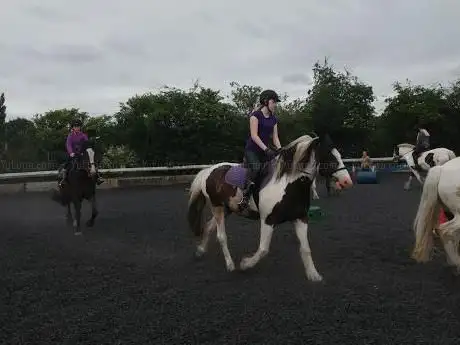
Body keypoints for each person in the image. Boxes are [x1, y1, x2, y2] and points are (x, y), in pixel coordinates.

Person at [238, 89, 282, 209]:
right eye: (274, 102)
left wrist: (280, 150)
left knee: (277, 166)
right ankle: (245, 196)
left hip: (265, 150)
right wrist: (266, 149)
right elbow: (254, 136)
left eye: (276, 103)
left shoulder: (274, 119)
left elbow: (275, 137)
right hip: (252, 150)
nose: (275, 105)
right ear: (266, 102)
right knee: (257, 168)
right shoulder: (255, 116)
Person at [59, 119, 103, 187]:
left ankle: (98, 177)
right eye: (75, 126)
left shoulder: (83, 135)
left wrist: (87, 149)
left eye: (78, 126)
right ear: (73, 127)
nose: (77, 128)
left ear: (80, 127)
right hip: (73, 153)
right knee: (68, 162)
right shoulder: (70, 136)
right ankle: (64, 179)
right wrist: (71, 153)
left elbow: (87, 143)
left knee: (91, 161)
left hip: (82, 153)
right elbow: (68, 145)